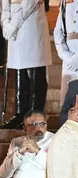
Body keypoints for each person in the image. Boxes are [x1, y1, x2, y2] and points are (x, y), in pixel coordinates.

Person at [0, 0, 51, 128]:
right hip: (13, 21)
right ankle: (20, 114)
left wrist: (13, 25)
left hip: (31, 20)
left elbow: (30, 2)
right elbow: (4, 4)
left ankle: (35, 115)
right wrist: (5, 22)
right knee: (18, 67)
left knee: (35, 66)